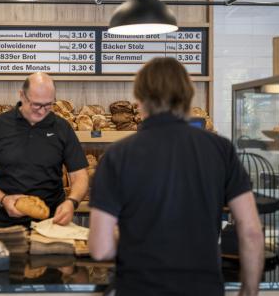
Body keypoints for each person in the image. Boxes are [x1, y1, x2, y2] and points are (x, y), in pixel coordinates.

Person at [88, 57, 264, 296]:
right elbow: (251, 231)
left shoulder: (117, 155)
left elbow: (100, 249)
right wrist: (250, 290)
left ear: (139, 101)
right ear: (188, 96)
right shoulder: (220, 149)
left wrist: (133, 239)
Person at [0, 72, 89, 228]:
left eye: (48, 105)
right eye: (36, 105)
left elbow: (79, 175)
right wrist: (3, 199)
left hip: (53, 224)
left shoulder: (62, 127)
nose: (42, 111)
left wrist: (72, 202)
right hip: (6, 225)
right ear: (22, 95)